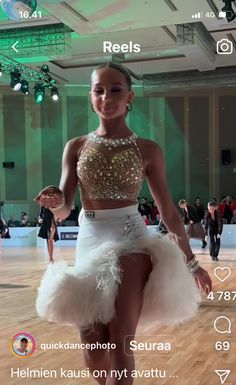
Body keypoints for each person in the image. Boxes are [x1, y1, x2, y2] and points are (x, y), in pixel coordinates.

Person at [35, 62, 211, 385]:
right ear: (90, 96)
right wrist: (55, 201)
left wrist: (192, 262)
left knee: (120, 334)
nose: (106, 97)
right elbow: (65, 207)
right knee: (93, 344)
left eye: (115, 90)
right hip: (89, 241)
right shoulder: (75, 147)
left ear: (129, 96)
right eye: (99, 91)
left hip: (133, 241)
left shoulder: (148, 150)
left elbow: (169, 211)